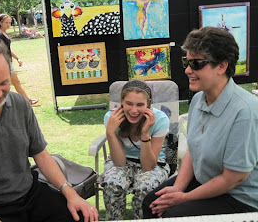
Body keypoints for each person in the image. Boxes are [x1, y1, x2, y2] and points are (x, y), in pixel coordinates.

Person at [0, 43, 99, 222]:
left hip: (30, 196)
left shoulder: (20, 104)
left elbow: (41, 155)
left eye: (4, 83)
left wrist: (70, 193)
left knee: (82, 217)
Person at [143, 26, 258, 218]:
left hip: (238, 197)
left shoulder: (245, 112)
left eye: (197, 63)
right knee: (151, 203)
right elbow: (193, 150)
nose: (188, 70)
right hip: (206, 180)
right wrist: (178, 187)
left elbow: (233, 178)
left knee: (173, 214)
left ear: (222, 66)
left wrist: (184, 198)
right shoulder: (198, 99)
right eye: (186, 62)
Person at [101, 79, 170, 220]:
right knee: (112, 184)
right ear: (122, 101)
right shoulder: (111, 118)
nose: (133, 110)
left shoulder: (160, 119)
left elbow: (149, 166)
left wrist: (145, 134)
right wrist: (110, 133)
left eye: (140, 105)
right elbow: (119, 163)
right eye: (129, 103)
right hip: (121, 161)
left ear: (148, 104)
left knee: (146, 188)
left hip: (152, 163)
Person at [0, 14, 39, 105]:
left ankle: (26, 101)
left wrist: (17, 58)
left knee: (13, 83)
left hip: (7, 62)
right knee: (12, 84)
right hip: (4, 63)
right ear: (1, 22)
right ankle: (27, 101)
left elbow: (8, 49)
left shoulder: (4, 34)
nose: (8, 24)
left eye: (10, 22)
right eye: (6, 22)